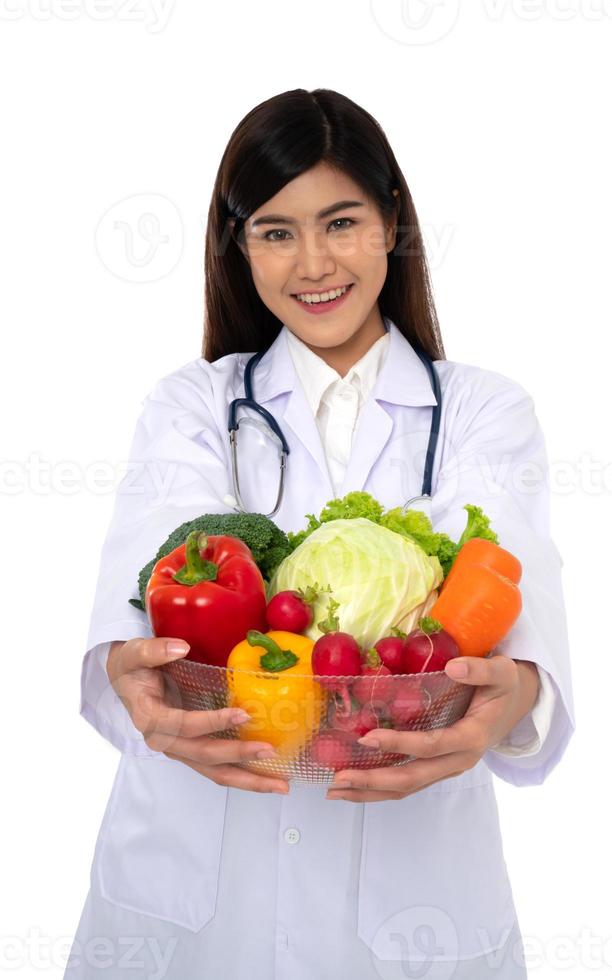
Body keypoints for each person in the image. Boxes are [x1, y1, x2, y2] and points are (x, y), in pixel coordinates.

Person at [64, 88, 575, 980]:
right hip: (190, 900)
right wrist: (128, 667)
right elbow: (144, 580)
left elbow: (512, 608)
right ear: (240, 247)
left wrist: (514, 692)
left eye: (340, 221)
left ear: (390, 225)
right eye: (275, 231)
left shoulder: (482, 412)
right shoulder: (196, 405)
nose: (313, 262)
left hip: (411, 906)